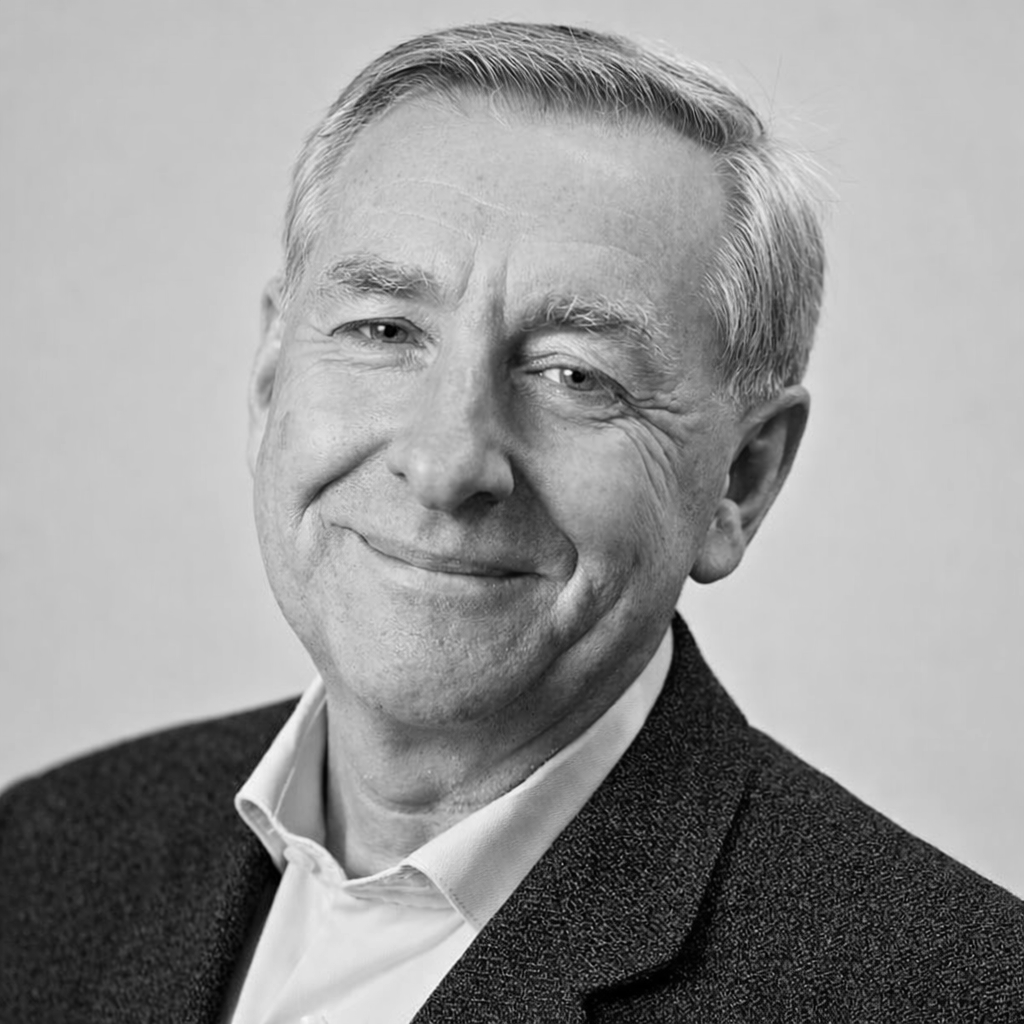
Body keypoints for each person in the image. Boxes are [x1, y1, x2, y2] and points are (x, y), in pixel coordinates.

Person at [1, 20, 1021, 1024]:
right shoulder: (40, 856)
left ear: (740, 479)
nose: (446, 464)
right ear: (272, 374)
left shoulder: (956, 991)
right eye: (385, 330)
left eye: (576, 374)